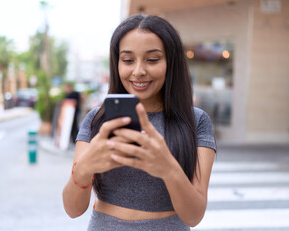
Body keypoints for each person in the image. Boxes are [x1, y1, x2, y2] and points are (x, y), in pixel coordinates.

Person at [62, 14, 216, 231]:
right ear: (117, 64)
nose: (138, 71)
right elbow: (73, 209)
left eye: (152, 59)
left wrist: (168, 168)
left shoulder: (195, 121)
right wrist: (84, 168)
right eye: (127, 60)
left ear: (170, 62)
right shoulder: (97, 121)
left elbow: (194, 216)